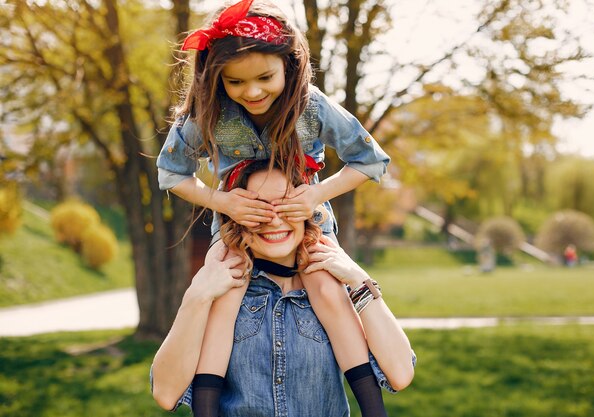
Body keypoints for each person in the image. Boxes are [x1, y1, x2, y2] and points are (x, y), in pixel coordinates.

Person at [155, 0, 390, 415]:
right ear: (216, 78)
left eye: (265, 77)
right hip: (237, 225)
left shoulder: (312, 106)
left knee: (327, 291)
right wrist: (222, 200)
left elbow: (370, 161)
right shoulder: (207, 112)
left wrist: (318, 195)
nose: (252, 91)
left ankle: (373, 407)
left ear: (290, 66)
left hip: (307, 222)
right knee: (223, 294)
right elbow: (172, 174)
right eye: (235, 82)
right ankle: (205, 409)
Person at [151, 162, 415, 416]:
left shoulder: (331, 289)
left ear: (308, 213)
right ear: (237, 220)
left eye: (287, 207)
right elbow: (165, 393)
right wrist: (196, 297)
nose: (275, 221)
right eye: (258, 209)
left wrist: (359, 279)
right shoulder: (223, 291)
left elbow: (400, 373)